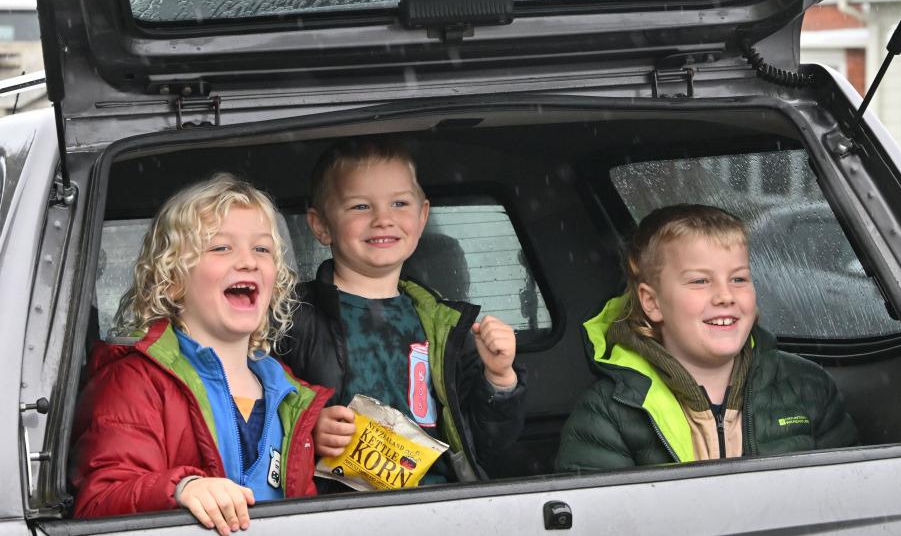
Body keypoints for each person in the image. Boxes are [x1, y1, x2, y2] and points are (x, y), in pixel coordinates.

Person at [70, 174, 332, 535]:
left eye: (262, 249)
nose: (248, 262)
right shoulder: (135, 382)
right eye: (222, 248)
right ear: (173, 280)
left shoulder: (289, 394)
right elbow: (98, 501)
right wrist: (182, 489)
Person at [278, 138, 525, 483]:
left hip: (438, 504)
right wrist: (307, 432)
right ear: (321, 226)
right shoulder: (291, 317)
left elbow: (485, 443)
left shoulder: (443, 325)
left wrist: (499, 379)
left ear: (422, 217)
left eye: (399, 203)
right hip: (335, 512)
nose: (383, 219)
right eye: (360, 206)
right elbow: (252, 416)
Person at [556, 204, 858, 471]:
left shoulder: (806, 388)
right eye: (700, 281)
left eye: (738, 278)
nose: (725, 296)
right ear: (652, 302)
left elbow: (850, 499)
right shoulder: (608, 412)